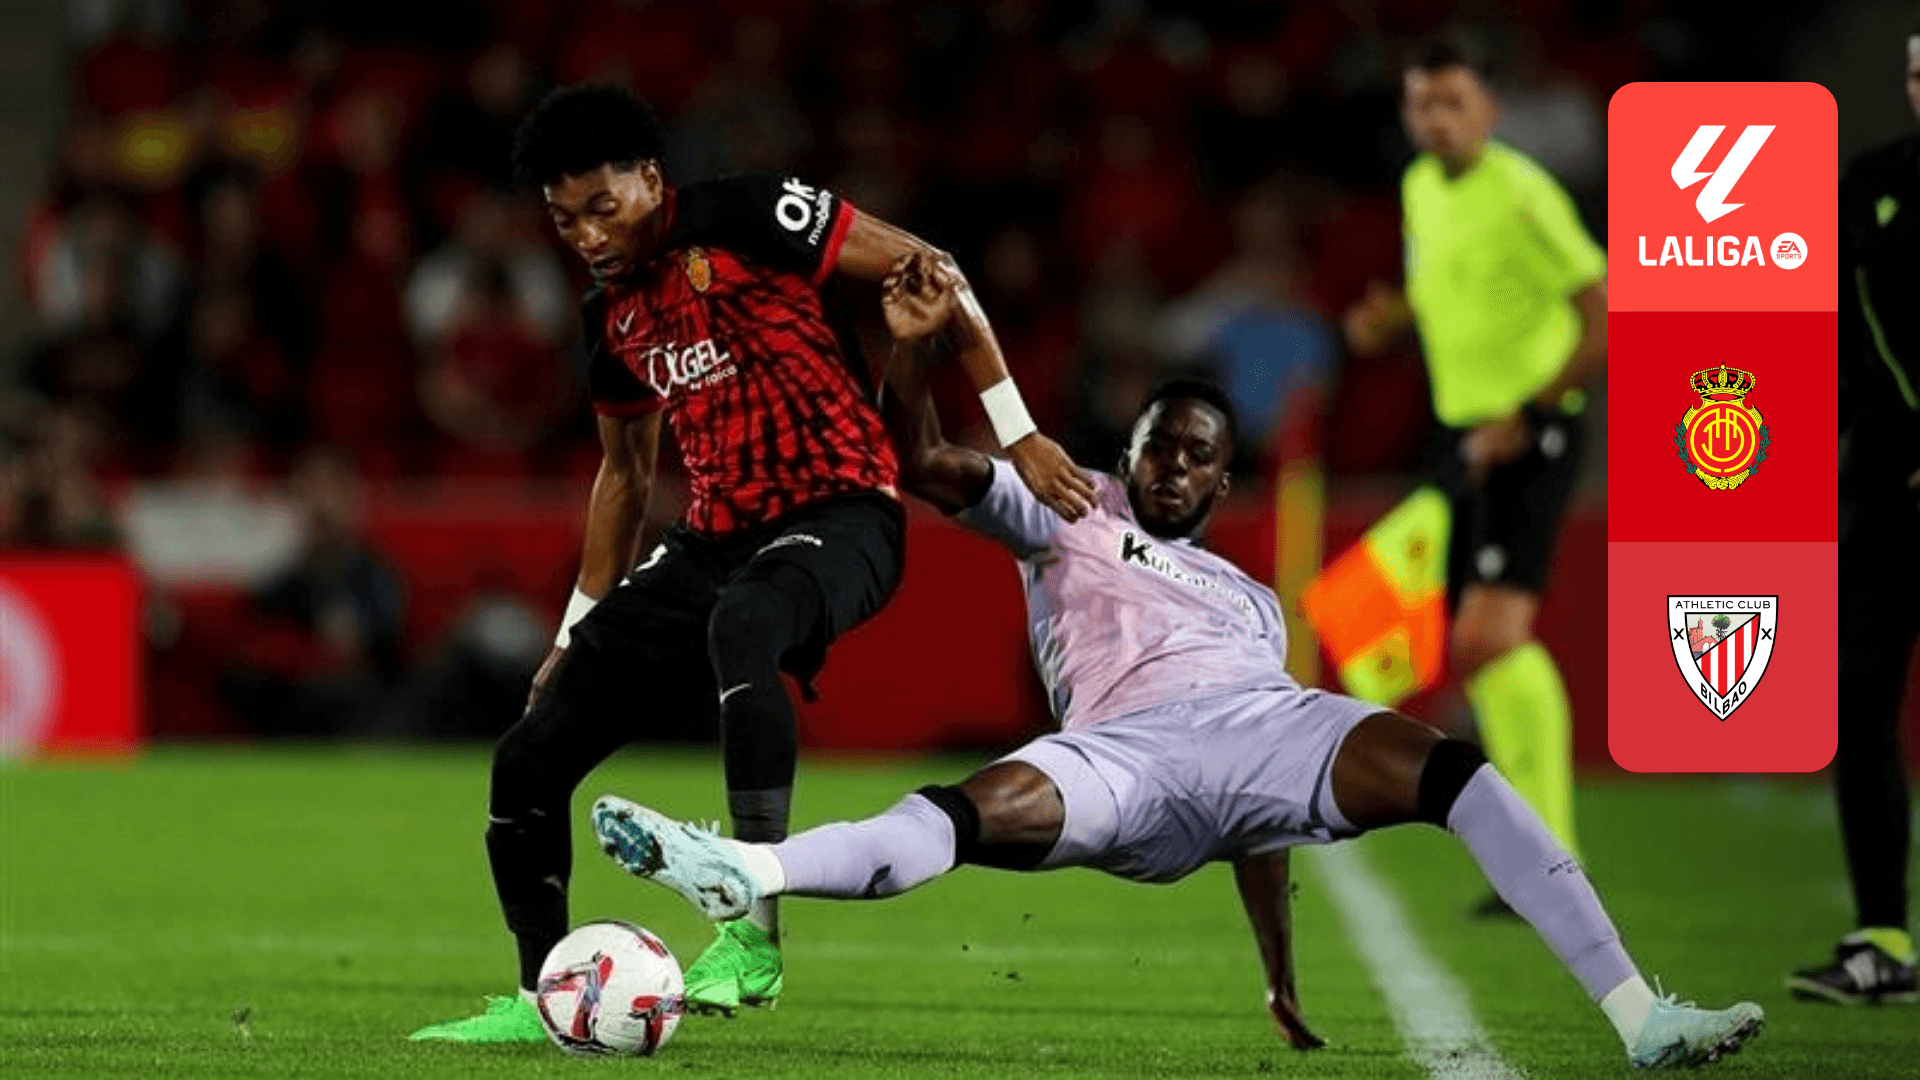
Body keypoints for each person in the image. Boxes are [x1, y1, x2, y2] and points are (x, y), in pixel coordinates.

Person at [590, 254, 1762, 1069]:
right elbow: (922, 457)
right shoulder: (1069, 501)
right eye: (1161, 447)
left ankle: (1640, 1017)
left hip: (1268, 723)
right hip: (1123, 752)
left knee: (1457, 771)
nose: (1175, 468)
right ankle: (751, 871)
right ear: (1135, 450)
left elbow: (1264, 814)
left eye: (1199, 457)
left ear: (1220, 478)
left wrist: (1277, 972)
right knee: (964, 811)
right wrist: (908, 353)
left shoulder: (1253, 602)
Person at [411, 85, 1092, 1042]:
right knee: (528, 756)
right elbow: (624, 477)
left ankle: (752, 936)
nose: (589, 236)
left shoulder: (749, 213)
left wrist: (1016, 432)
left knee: (746, 620)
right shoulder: (612, 316)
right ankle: (543, 1002)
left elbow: (930, 268)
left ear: (651, 179)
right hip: (714, 537)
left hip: (843, 511)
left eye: (604, 207)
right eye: (565, 221)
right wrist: (572, 631)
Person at [1342, 32, 1606, 905]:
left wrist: (1527, 415)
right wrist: (1392, 318)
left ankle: (1553, 854)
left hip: (1533, 431)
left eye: (1453, 102)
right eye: (1422, 103)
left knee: (1491, 638)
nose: (1437, 120)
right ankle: (1530, 851)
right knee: (1467, 644)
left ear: (1489, 110)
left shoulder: (1523, 192)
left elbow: (1603, 314)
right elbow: (1446, 290)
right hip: (1463, 435)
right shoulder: (1421, 188)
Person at [1786, 17, 1920, 1006]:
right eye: (1919, 74)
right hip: (1880, 486)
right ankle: (1882, 940)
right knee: (1858, 699)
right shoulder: (1870, 180)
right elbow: (1835, 337)